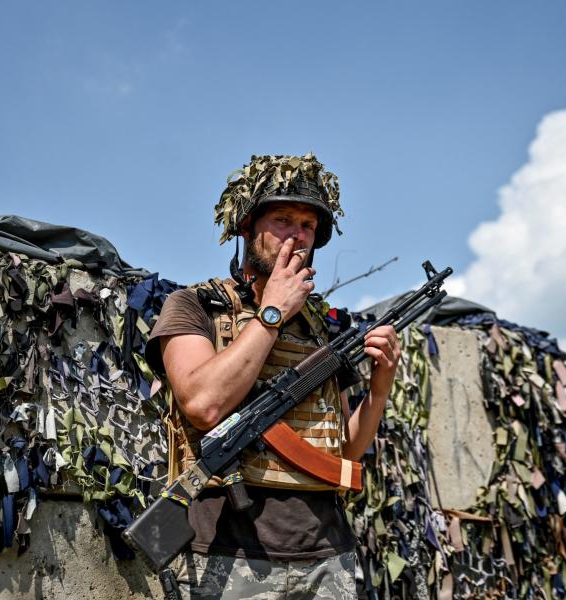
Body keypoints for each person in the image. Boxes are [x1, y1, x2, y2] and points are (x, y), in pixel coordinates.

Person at [145, 154, 400, 599]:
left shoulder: (322, 326)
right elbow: (203, 404)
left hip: (326, 553)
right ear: (246, 227)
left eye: (307, 226)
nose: (296, 236)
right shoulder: (194, 306)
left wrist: (378, 391)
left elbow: (343, 451)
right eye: (283, 219)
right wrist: (272, 314)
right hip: (227, 553)